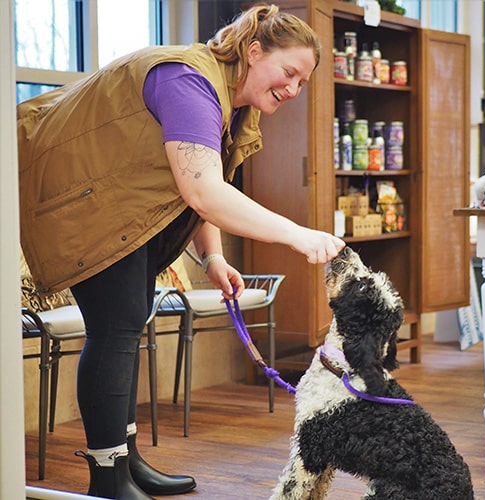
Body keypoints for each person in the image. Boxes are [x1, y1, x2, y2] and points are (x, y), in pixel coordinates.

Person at [17, 3, 346, 499]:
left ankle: (125, 462)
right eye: (289, 73)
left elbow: (197, 187)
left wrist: (213, 257)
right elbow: (204, 191)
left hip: (124, 209)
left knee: (127, 325)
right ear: (253, 52)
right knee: (117, 329)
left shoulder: (233, 102)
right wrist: (299, 235)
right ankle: (107, 477)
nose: (293, 90)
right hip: (84, 204)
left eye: (303, 82)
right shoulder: (187, 82)